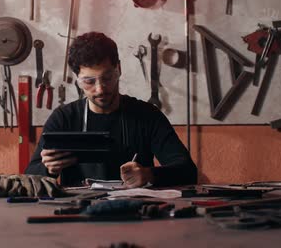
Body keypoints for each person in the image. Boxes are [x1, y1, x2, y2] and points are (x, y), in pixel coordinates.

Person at [25, 32, 197, 187]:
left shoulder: (147, 115)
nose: (100, 89)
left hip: (136, 212)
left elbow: (188, 171)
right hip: (79, 214)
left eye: (107, 77)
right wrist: (49, 170)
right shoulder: (64, 118)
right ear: (77, 79)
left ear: (119, 69)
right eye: (89, 81)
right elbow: (29, 177)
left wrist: (149, 174)